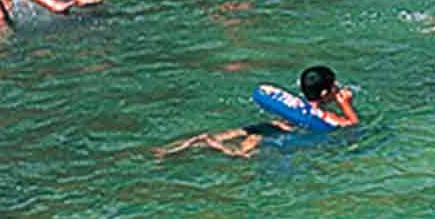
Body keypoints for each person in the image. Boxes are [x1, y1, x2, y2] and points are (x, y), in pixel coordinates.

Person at [153, 66, 359, 159]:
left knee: (238, 133)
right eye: (334, 86)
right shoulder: (327, 116)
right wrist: (346, 105)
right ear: (325, 92)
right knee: (242, 153)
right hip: (284, 133)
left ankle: (174, 148)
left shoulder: (295, 103)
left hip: (273, 123)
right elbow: (353, 127)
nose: (337, 87)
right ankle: (216, 146)